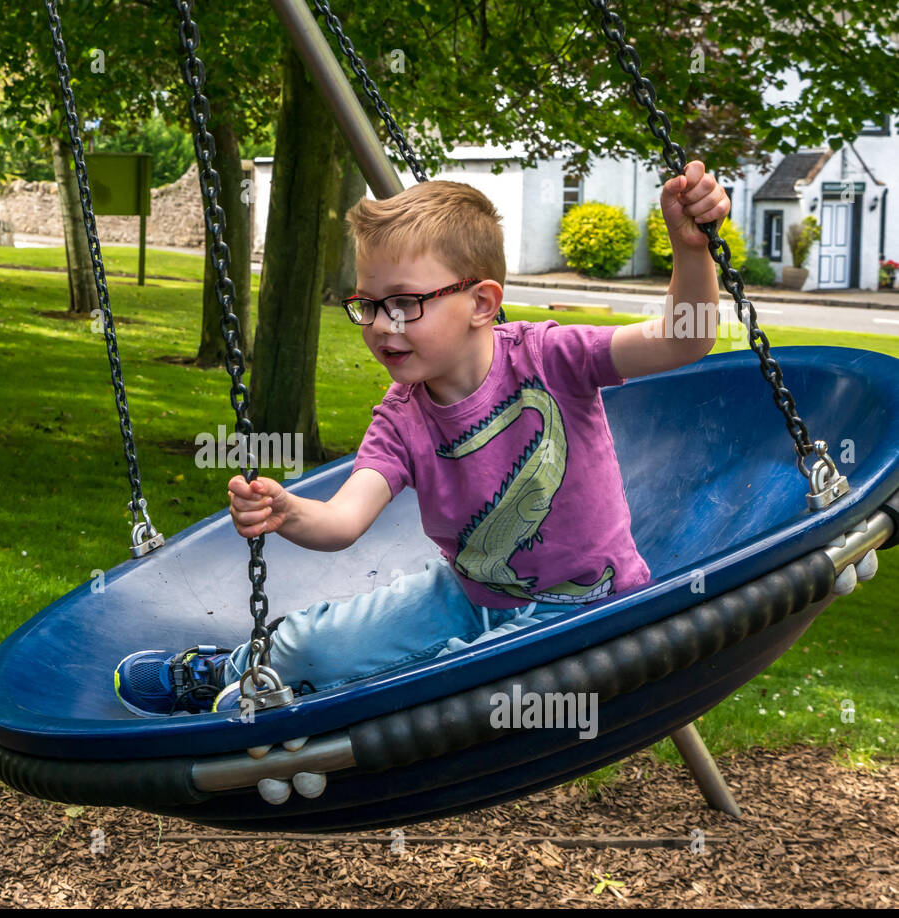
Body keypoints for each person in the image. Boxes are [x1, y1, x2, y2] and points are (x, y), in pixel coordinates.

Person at [115, 161, 729, 717]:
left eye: (405, 304)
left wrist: (690, 249)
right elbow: (343, 522)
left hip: (595, 612)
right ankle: (229, 671)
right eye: (368, 305)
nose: (382, 325)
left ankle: (306, 703)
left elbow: (685, 338)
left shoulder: (552, 357)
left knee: (458, 687)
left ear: (482, 303)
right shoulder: (401, 418)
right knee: (308, 647)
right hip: (465, 596)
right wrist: (289, 510)